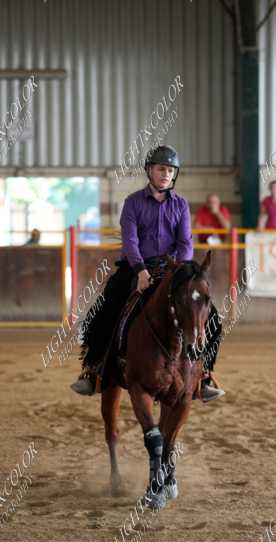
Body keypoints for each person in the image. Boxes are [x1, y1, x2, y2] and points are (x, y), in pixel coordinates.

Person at [70, 145, 225, 402]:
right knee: (104, 308)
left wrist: (179, 271)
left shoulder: (181, 205)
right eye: (161, 169)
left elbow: (185, 243)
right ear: (149, 170)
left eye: (170, 170)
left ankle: (204, 375)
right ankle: (94, 370)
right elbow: (130, 242)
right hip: (136, 268)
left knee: (212, 318)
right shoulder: (133, 203)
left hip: (172, 270)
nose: (166, 174)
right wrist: (140, 270)